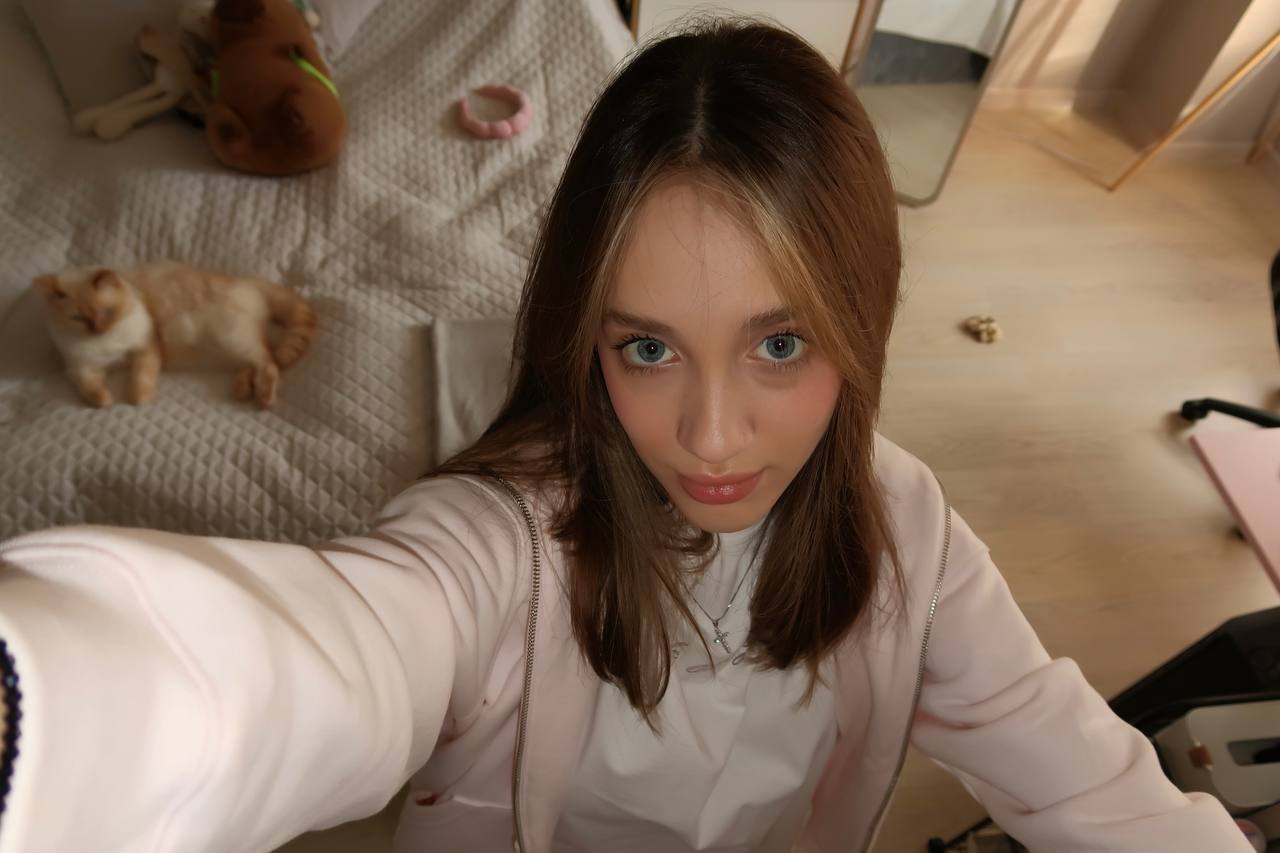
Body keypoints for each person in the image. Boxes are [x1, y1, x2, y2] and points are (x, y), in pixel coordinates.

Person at [0, 18, 1252, 853]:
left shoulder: (906, 527)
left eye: (778, 344)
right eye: (646, 347)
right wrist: (49, 704)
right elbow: (325, 652)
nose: (708, 437)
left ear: (860, 321)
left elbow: (1086, 779)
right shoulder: (496, 541)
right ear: (583, 333)